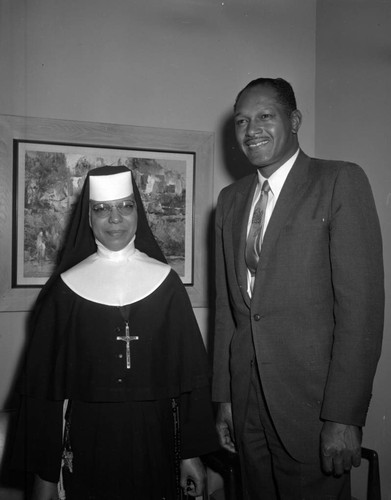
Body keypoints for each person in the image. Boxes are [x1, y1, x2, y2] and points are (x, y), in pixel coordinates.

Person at [212, 78, 384, 499]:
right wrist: (225, 399)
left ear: (294, 120)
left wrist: (344, 417)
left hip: (313, 410)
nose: (251, 129)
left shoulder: (339, 181)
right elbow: (227, 311)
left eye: (264, 116)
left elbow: (361, 311)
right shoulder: (230, 200)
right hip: (247, 403)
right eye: (241, 121)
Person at [13, 165, 218, 500]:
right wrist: (45, 476)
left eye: (125, 206)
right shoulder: (63, 293)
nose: (115, 219)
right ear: (89, 218)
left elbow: (190, 381)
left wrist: (191, 454)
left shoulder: (166, 284)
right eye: (102, 209)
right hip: (88, 442)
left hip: (158, 442)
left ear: (138, 212)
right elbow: (45, 397)